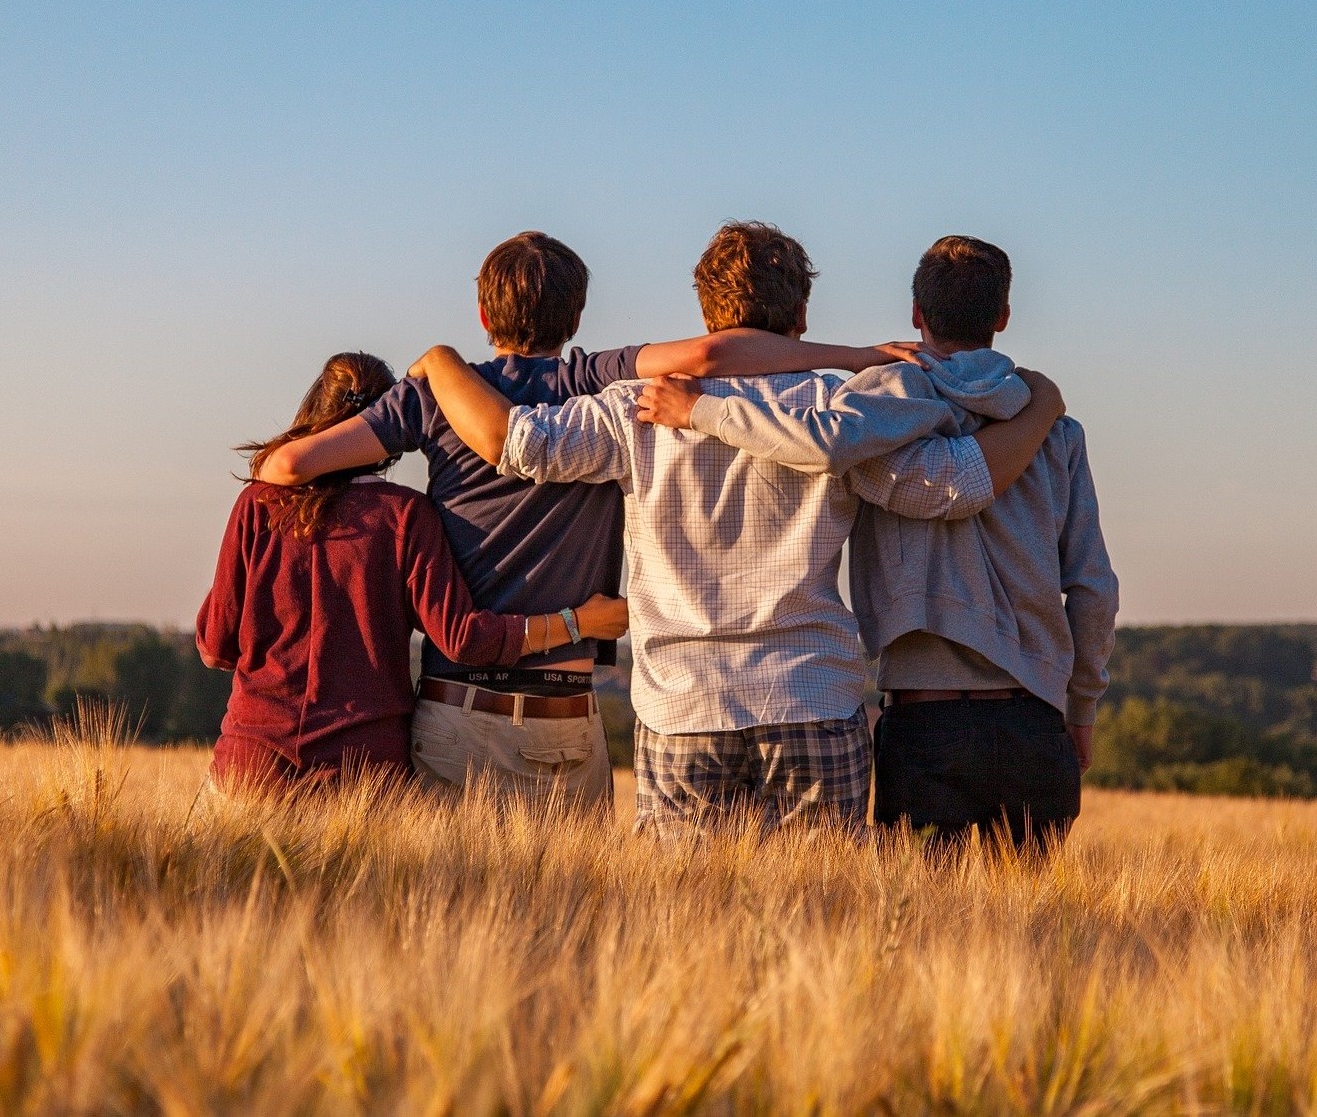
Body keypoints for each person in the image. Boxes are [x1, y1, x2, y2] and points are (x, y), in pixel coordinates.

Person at [407, 223, 1065, 836]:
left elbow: (516, 444)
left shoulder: (634, 407)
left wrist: (439, 362)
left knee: (683, 924)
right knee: (820, 923)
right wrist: (1038, 410)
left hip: (681, 706)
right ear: (800, 316)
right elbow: (948, 489)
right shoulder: (839, 409)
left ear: (704, 314)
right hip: (810, 694)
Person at [254, 231, 937, 806]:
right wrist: (858, 357)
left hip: (469, 703)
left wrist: (434, 369)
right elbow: (711, 356)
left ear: (482, 314)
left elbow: (288, 469)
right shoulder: (593, 379)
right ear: (576, 315)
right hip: (581, 706)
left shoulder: (439, 397)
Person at [638, 235, 1118, 851]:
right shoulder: (1055, 430)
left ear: (917, 314)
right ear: (1002, 317)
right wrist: (1080, 708)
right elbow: (1093, 588)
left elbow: (820, 442)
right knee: (1027, 935)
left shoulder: (875, 410)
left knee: (918, 930)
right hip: (1034, 717)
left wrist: (702, 410)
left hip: (923, 722)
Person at [196, 351, 628, 794]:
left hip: (252, 763)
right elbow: (463, 639)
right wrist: (580, 622)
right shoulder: (405, 516)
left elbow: (215, 646)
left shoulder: (258, 505)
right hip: (363, 774)